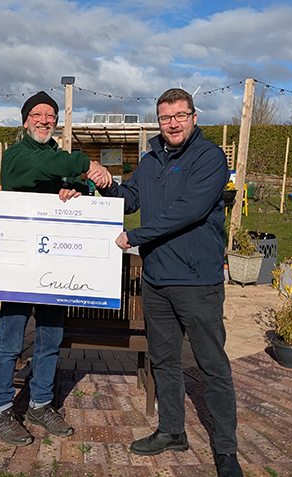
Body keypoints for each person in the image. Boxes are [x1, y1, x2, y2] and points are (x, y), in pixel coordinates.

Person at [89, 88, 242, 477]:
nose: (173, 123)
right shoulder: (151, 159)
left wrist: (135, 237)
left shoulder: (210, 158)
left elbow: (188, 211)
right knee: (164, 361)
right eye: (165, 117)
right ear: (158, 121)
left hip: (197, 281)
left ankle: (226, 449)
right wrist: (106, 184)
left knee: (212, 365)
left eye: (180, 115)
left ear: (193, 117)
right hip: (156, 279)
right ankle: (172, 431)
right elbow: (130, 199)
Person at [0, 91, 112, 446]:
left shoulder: (60, 159)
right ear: (25, 120)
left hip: (56, 266)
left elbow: (81, 191)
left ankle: (40, 404)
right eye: (37, 114)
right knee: (10, 339)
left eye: (51, 116)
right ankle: (0, 409)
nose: (44, 120)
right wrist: (85, 163)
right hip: (19, 264)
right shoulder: (15, 156)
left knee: (50, 339)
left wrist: (77, 193)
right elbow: (39, 168)